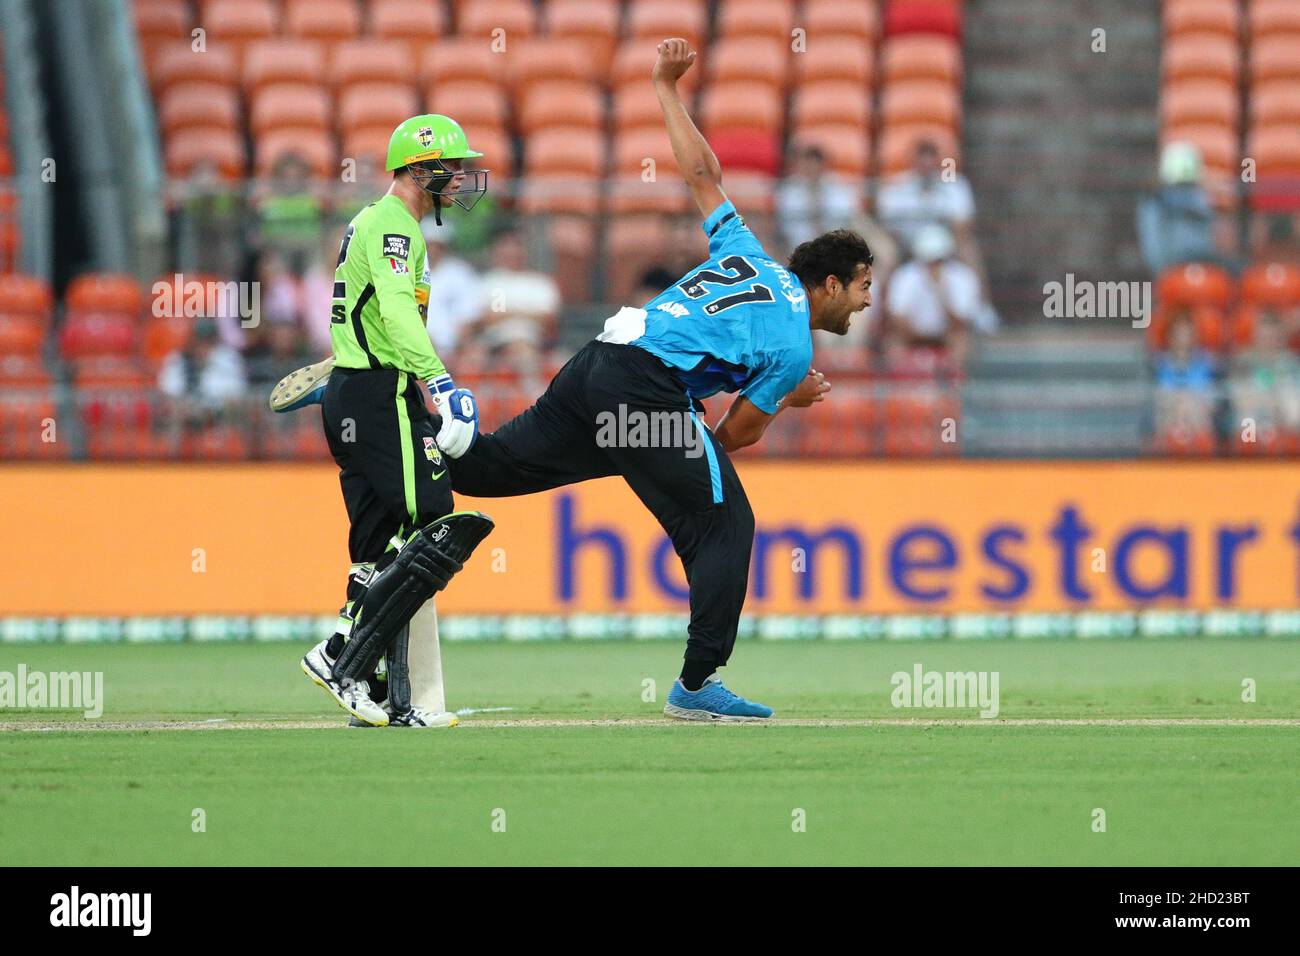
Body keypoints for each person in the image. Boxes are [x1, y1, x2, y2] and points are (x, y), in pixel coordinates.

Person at [446, 39, 870, 721]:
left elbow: (702, 174)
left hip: (597, 363)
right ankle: (697, 687)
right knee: (727, 523)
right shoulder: (793, 347)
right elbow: (728, 437)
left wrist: (665, 88)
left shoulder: (747, 251)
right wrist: (788, 396)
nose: (868, 302)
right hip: (644, 388)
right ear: (829, 284)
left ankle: (414, 420)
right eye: (862, 287)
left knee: (487, 469)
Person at [269, 115, 495, 728]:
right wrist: (440, 383)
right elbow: (395, 311)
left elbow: (364, 311)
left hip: (354, 390)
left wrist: (347, 376)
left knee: (375, 540)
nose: (462, 179)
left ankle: (371, 683)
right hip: (381, 392)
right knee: (434, 517)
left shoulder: (371, 221)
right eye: (453, 166)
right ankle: (345, 654)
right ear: (423, 169)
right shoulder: (395, 226)